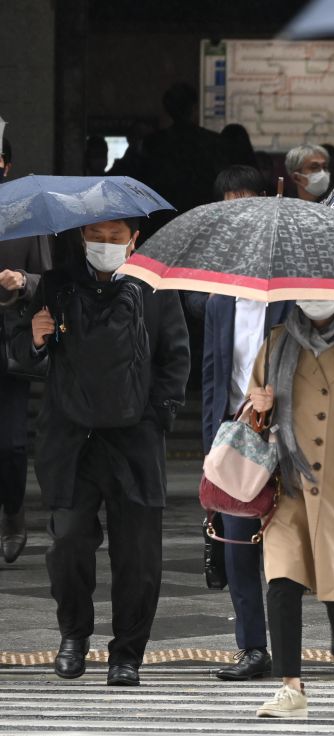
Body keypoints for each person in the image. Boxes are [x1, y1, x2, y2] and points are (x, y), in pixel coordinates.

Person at [11, 218, 189, 687]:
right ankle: (73, 635)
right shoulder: (57, 284)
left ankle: (126, 654)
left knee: (138, 556)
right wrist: (34, 336)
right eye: (96, 236)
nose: (104, 245)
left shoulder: (156, 287)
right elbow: (19, 353)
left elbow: (176, 358)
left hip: (134, 441)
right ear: (81, 237)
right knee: (67, 543)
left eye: (115, 238)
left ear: (134, 240)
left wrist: (156, 417)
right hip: (73, 440)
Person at [246, 301, 334, 718]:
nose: (314, 297)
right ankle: (291, 687)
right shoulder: (276, 343)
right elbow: (252, 414)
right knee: (282, 583)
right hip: (288, 481)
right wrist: (259, 408)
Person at [200, 284, 293, 681]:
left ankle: (289, 646)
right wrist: (211, 448)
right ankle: (252, 647)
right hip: (238, 434)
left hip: (289, 435)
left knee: (287, 548)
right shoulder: (219, 303)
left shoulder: (295, 299)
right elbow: (212, 377)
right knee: (238, 545)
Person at [0, 136, 52, 564]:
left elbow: (46, 278)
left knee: (13, 445)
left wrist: (21, 279)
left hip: (10, 342)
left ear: (6, 165)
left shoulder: (26, 215)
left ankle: (13, 511)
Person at [137, 82, 229, 228]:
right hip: (203, 218)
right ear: (194, 108)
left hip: (163, 221)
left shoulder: (154, 143)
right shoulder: (213, 142)